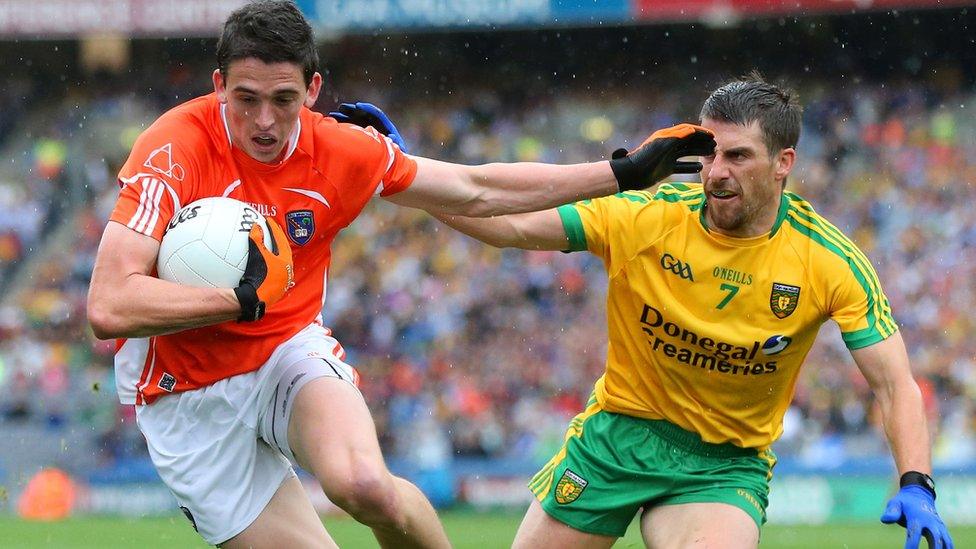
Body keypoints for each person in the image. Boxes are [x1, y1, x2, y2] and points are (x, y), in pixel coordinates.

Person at [84, 1, 714, 547]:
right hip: (184, 395)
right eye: (245, 100)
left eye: (283, 100)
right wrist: (235, 298)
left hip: (284, 350)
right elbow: (109, 305)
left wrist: (622, 173)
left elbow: (473, 189)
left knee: (365, 486)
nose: (266, 122)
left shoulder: (341, 148)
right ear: (218, 84)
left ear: (312, 90)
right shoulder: (172, 147)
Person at [401, 74, 953, 548]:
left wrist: (916, 482)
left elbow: (894, 384)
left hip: (721, 464)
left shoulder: (829, 261)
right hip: (616, 438)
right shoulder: (649, 215)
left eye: (738, 156)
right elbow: (507, 224)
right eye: (710, 152)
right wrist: (414, 181)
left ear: (784, 163)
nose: (715, 172)